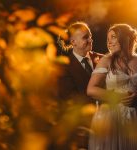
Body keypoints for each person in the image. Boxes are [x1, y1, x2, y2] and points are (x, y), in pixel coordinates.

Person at [87, 23, 137, 150]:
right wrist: (118, 96)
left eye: (113, 37)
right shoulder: (106, 60)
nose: (109, 42)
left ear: (126, 38)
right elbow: (91, 89)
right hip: (111, 118)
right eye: (107, 39)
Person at [57, 21, 103, 149]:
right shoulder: (65, 66)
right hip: (84, 129)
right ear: (73, 42)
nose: (90, 40)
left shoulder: (103, 60)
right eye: (85, 37)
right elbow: (69, 99)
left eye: (90, 36)